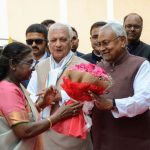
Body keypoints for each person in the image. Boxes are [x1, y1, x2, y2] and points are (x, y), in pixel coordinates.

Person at [0, 42, 82, 150]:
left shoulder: (16, 85)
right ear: (13, 64)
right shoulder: (7, 89)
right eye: (30, 63)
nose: (33, 68)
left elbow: (25, 117)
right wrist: (59, 116)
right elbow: (23, 130)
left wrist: (42, 104)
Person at [27, 23, 92, 150]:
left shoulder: (85, 66)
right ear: (48, 43)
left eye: (62, 39)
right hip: (44, 132)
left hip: (72, 136)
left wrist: (61, 96)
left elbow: (91, 102)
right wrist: (43, 100)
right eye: (53, 40)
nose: (58, 44)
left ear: (71, 42)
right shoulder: (39, 67)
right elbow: (30, 98)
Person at [90, 22, 150, 150]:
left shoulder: (141, 65)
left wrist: (113, 104)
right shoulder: (98, 67)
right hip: (101, 139)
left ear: (122, 41)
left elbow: (143, 100)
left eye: (106, 43)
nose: (101, 48)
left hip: (132, 141)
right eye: (99, 44)